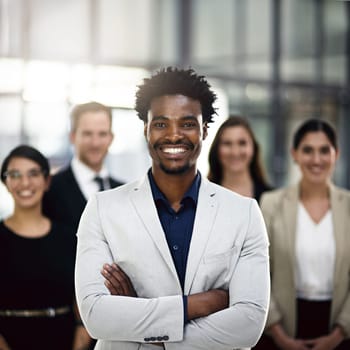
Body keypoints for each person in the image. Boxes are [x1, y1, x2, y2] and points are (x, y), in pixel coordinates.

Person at [75, 67, 270, 350]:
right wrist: (200, 303)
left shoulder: (244, 213)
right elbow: (96, 316)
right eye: (161, 124)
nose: (174, 135)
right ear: (146, 129)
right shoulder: (103, 209)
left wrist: (139, 322)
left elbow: (249, 323)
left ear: (204, 130)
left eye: (188, 124)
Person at [255, 119, 350, 349]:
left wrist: (337, 335)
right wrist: (279, 336)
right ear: (294, 154)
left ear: (336, 154)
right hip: (281, 326)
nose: (316, 159)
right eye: (308, 150)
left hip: (339, 328)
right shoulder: (271, 203)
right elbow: (258, 273)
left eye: (324, 150)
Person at [0, 145, 78, 350]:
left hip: (64, 341)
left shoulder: (69, 238)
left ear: (47, 181)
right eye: (15, 174)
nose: (25, 183)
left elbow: (83, 300)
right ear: (5, 182)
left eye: (33, 174)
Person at [43, 101, 123, 230]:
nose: (95, 143)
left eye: (102, 134)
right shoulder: (50, 189)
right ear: (73, 137)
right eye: (87, 134)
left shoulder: (124, 192)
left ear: (111, 138)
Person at [208, 116, 272, 203]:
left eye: (242, 143)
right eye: (227, 143)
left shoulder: (271, 198)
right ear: (216, 149)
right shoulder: (202, 196)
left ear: (253, 148)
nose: (235, 152)